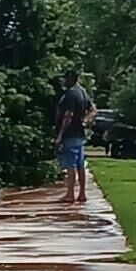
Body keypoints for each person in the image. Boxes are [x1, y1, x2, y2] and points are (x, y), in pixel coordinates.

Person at [55, 70, 93, 203]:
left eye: (65, 78)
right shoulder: (82, 91)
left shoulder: (71, 94)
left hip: (70, 134)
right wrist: (85, 121)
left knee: (70, 165)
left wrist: (60, 134)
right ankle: (82, 193)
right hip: (80, 134)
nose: (64, 81)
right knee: (80, 165)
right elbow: (93, 110)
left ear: (71, 79)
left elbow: (68, 115)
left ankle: (70, 194)